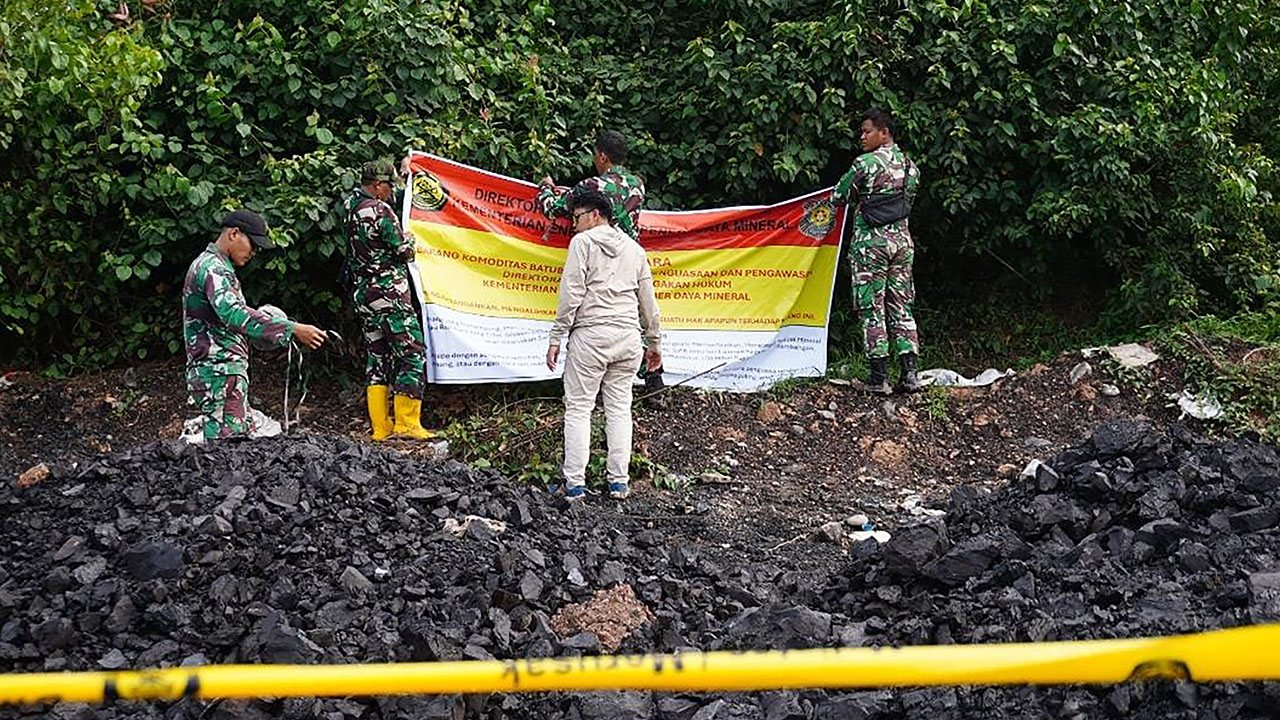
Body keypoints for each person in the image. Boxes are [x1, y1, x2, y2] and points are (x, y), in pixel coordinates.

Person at [545, 190, 662, 502]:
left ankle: (574, 485)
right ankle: (618, 483)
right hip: (627, 339)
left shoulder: (582, 244)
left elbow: (571, 294)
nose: (573, 224)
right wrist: (654, 343)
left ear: (595, 215)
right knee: (620, 410)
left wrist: (557, 337)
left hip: (591, 337)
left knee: (580, 409)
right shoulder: (635, 251)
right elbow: (648, 302)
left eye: (577, 217)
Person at [537, 130, 667, 405]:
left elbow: (553, 208)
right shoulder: (638, 184)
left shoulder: (591, 186)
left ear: (603, 156)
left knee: (593, 317)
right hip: (629, 261)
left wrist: (545, 186)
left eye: (595, 155)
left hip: (598, 260)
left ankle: (592, 389)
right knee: (634, 316)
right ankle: (654, 379)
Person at [183, 209, 327, 442]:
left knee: (235, 443)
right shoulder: (213, 268)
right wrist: (293, 328)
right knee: (227, 450)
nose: (255, 252)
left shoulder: (214, 265)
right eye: (253, 244)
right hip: (219, 374)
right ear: (234, 234)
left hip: (221, 375)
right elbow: (234, 314)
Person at [343, 159, 435, 440]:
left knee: (378, 355)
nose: (391, 193)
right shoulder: (380, 211)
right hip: (389, 294)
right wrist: (410, 239)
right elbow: (404, 251)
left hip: (364, 295)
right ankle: (407, 424)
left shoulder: (350, 208)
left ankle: (380, 427)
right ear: (378, 185)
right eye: (388, 187)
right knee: (411, 353)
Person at [831, 108, 922, 394]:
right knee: (901, 307)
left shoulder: (865, 164)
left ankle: (878, 378)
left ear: (884, 133)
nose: (862, 136)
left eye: (867, 131)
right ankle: (910, 375)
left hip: (871, 246)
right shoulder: (911, 167)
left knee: (872, 308)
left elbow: (839, 196)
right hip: (903, 245)